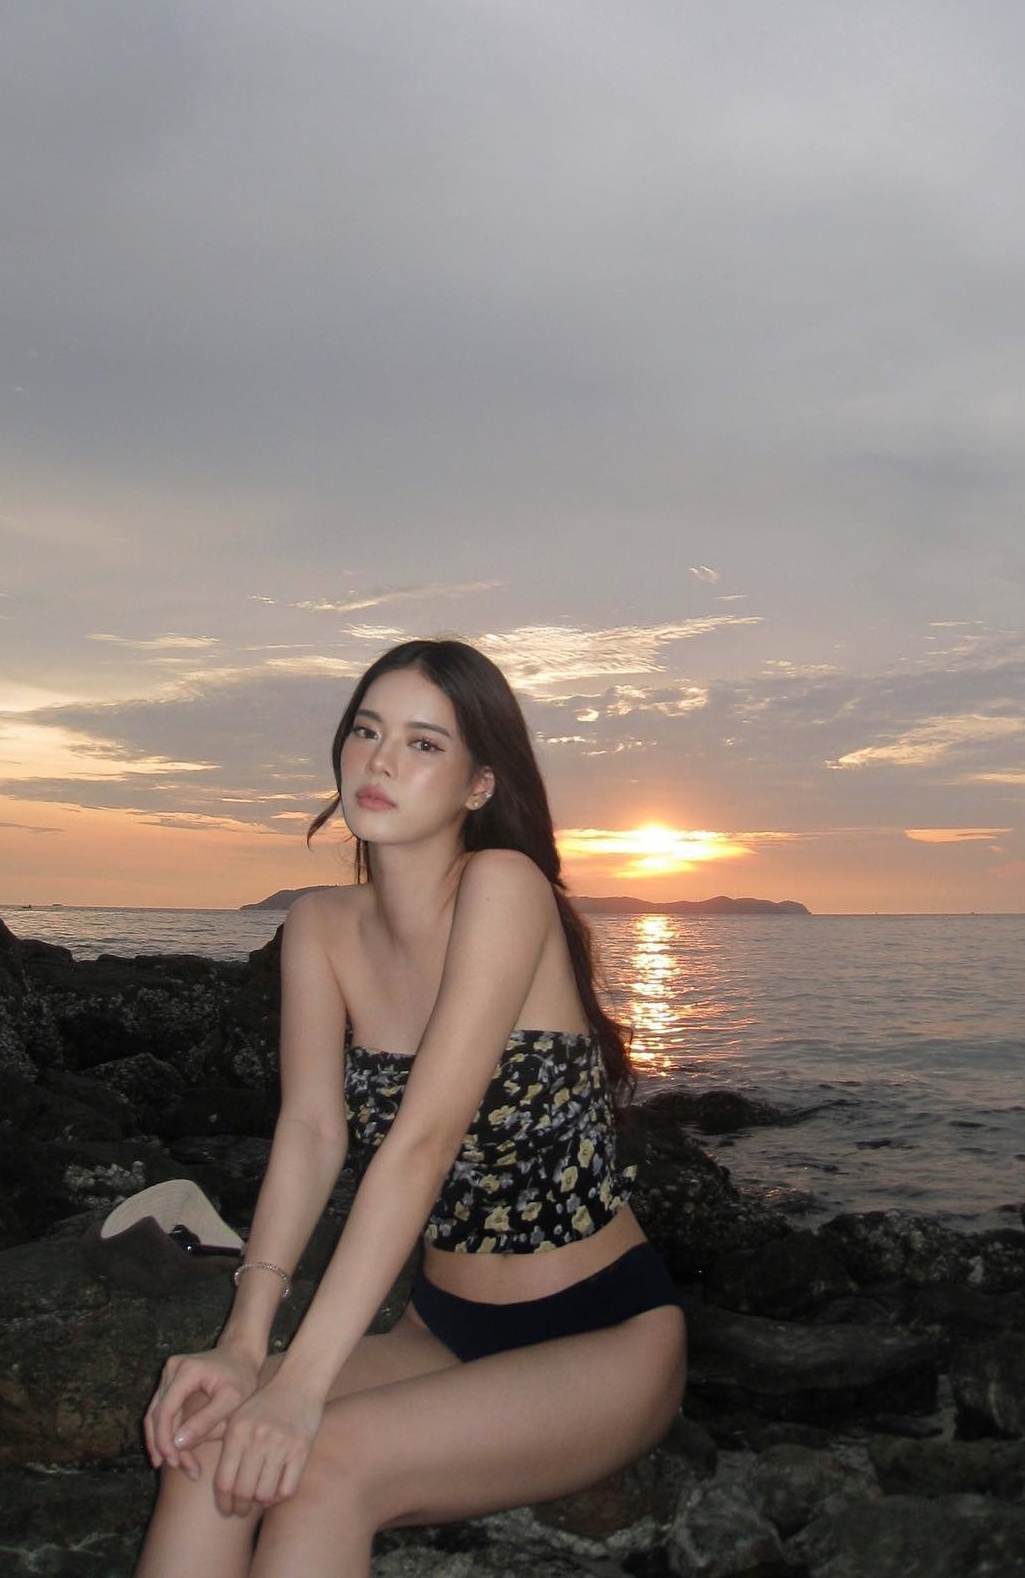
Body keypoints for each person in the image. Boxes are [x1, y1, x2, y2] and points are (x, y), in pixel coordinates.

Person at [136, 638, 687, 1577]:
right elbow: (312, 1131)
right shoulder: (318, 926)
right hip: (443, 1327)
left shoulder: (505, 888)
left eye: (424, 743)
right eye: (367, 731)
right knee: (209, 1439)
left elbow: (424, 1140)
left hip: (603, 1330)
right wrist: (245, 1347)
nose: (381, 761)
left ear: (479, 783)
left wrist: (302, 1387)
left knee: (319, 1468)